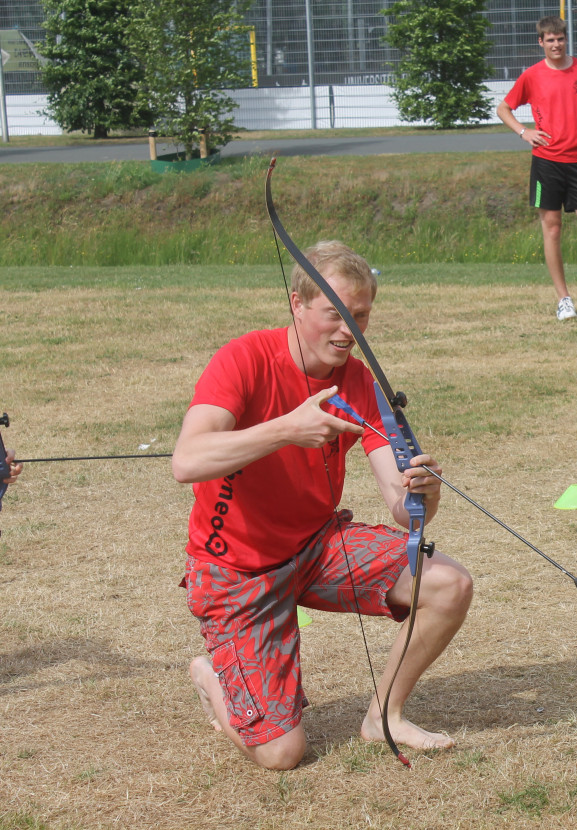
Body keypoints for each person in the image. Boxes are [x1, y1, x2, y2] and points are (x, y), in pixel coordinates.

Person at [172, 240, 473, 770]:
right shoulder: (243, 358)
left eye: (359, 317)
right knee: (283, 754)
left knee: (448, 583)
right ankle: (212, 674)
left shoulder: (361, 382)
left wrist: (422, 493)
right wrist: (288, 428)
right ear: (296, 304)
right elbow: (187, 461)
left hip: (315, 546)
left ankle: (385, 717)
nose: (347, 333)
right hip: (237, 570)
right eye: (334, 314)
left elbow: (399, 503)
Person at [497, 15, 577, 321]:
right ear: (540, 42)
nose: (556, 44)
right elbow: (504, 108)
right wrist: (523, 131)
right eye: (550, 40)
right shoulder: (531, 75)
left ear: (566, 40)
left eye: (560, 38)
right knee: (552, 229)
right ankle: (564, 299)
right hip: (546, 163)